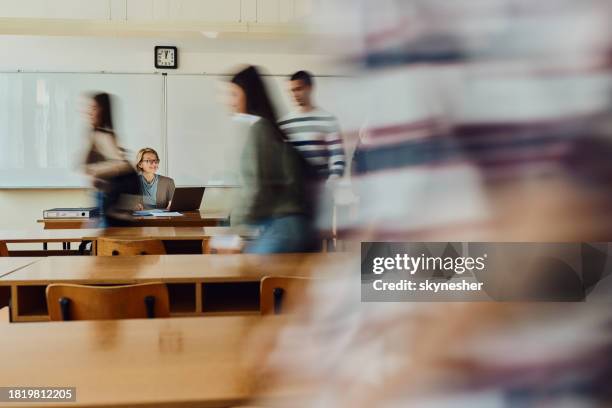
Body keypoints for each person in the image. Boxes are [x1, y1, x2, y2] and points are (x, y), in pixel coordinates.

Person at [227, 65, 318, 253]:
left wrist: (234, 231)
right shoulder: (269, 128)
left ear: (248, 95)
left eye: (234, 94)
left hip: (281, 228)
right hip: (291, 226)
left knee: (242, 275)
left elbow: (255, 189)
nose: (230, 102)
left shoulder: (259, 130)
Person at [82, 92, 139, 227]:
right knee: (96, 238)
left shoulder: (103, 134)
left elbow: (122, 165)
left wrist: (95, 171)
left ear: (103, 110)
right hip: (104, 196)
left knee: (105, 239)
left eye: (94, 108)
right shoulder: (97, 133)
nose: (89, 112)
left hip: (111, 198)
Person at [278, 70, 346, 181]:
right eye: (291, 91)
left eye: (298, 89)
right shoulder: (284, 124)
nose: (294, 95)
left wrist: (333, 180)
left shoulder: (328, 120)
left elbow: (337, 156)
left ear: (310, 88)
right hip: (296, 190)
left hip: (322, 188)